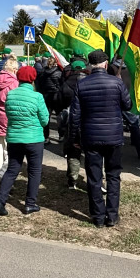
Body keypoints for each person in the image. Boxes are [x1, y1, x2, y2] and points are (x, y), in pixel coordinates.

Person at [71, 50, 132, 227]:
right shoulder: (116, 82)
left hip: (90, 138)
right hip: (113, 137)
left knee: (94, 177)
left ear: (90, 65)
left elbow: (75, 115)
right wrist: (120, 87)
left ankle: (98, 216)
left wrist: (74, 137)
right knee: (113, 176)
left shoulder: (82, 84)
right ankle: (112, 216)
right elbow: (127, 105)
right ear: (105, 64)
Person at [0, 65, 49, 216]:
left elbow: (9, 116)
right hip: (34, 139)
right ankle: (30, 204)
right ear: (33, 79)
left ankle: (0, 202)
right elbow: (45, 120)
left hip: (14, 138)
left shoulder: (10, 95)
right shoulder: (37, 97)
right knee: (34, 172)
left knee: (12, 170)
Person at [0, 58, 19, 182]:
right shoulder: (15, 83)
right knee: (9, 149)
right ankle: (4, 175)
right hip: (8, 117)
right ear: (14, 70)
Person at [109, 58, 140, 156]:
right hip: (127, 98)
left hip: (114, 100)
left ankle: (114, 152)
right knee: (134, 125)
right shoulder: (130, 68)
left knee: (114, 126)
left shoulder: (111, 68)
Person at [60, 59, 87, 189]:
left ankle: (72, 180)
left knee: (73, 150)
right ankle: (95, 178)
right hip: (86, 119)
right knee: (90, 152)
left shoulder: (66, 83)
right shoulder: (89, 82)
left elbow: (61, 100)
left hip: (71, 118)